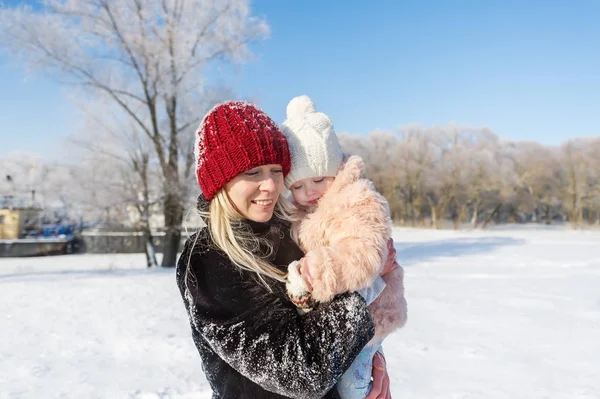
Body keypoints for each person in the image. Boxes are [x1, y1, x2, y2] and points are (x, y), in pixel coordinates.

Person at [176, 101, 393, 399]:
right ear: (220, 181)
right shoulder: (206, 259)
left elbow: (337, 334)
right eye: (252, 172)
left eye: (277, 170)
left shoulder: (291, 227)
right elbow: (301, 370)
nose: (270, 185)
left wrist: (369, 368)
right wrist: (363, 283)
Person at [281, 96, 408, 399]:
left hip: (371, 316)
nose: (308, 191)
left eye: (317, 179)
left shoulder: (357, 200)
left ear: (335, 171)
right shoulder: (299, 211)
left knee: (352, 389)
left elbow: (362, 255)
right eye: (296, 186)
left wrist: (315, 272)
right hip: (339, 321)